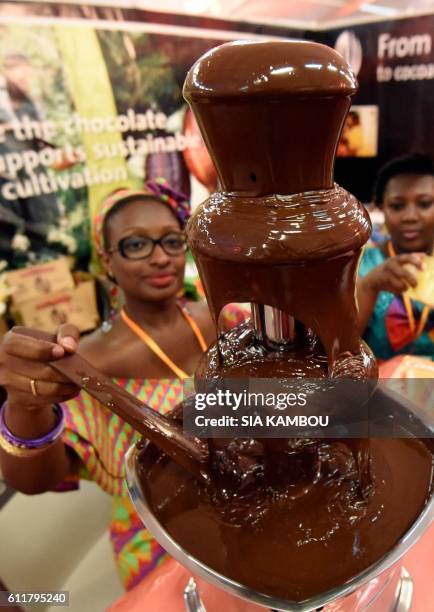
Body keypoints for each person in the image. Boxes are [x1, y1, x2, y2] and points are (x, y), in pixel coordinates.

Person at [0, 178, 246, 591]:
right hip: (161, 544)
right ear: (106, 259)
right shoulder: (90, 363)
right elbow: (36, 481)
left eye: (171, 241)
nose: (160, 258)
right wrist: (26, 406)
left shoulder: (226, 319)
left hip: (253, 506)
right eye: (136, 245)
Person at [357, 153, 434, 360]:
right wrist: (369, 286)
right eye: (397, 206)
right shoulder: (358, 266)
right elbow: (340, 345)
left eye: (425, 204)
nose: (410, 216)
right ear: (380, 208)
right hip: (380, 390)